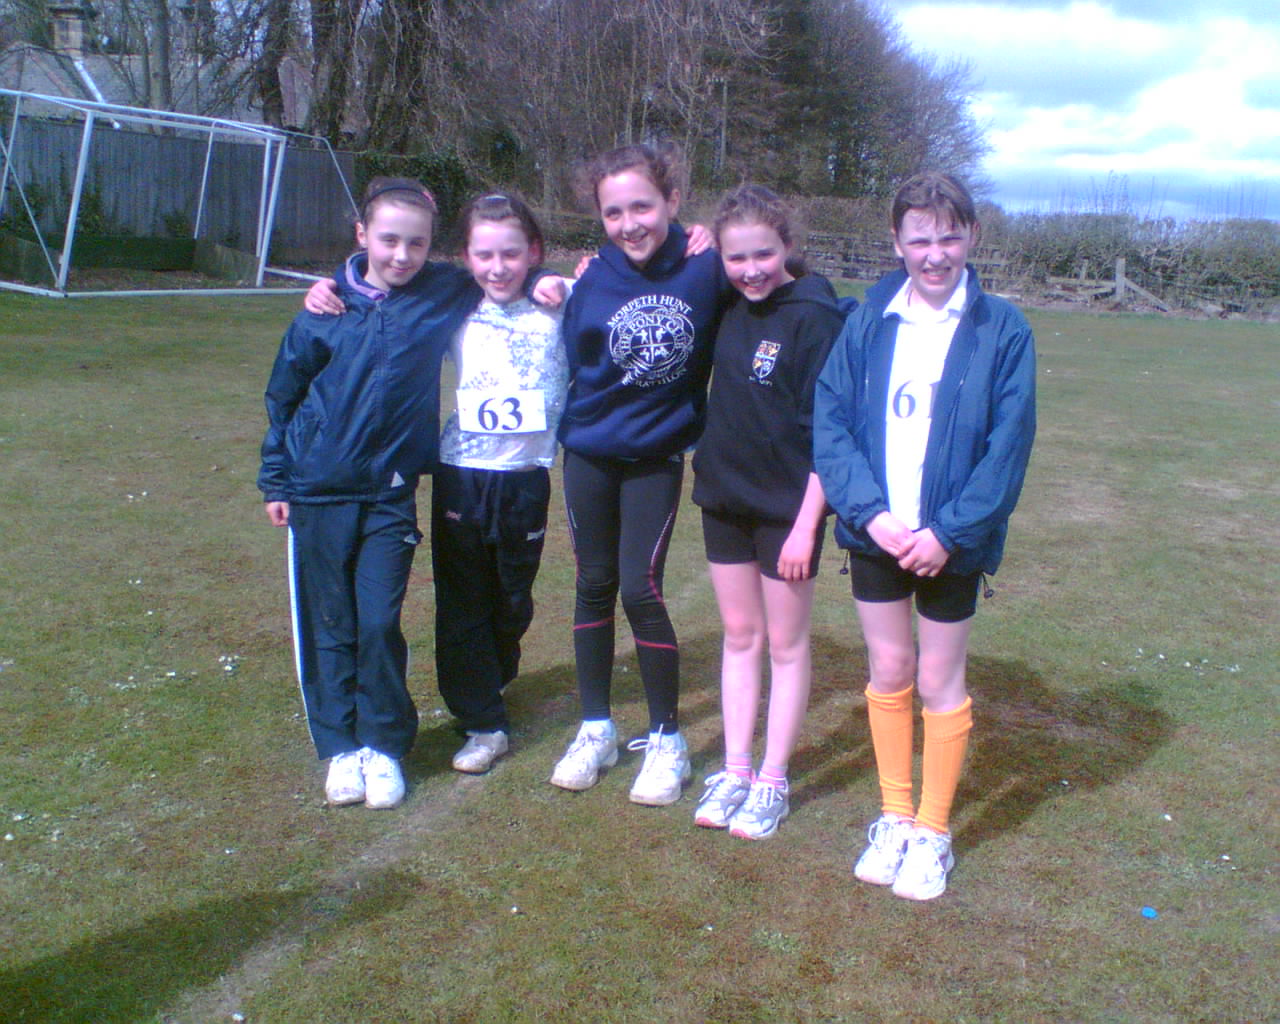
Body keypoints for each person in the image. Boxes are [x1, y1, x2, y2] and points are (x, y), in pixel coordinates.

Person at [813, 171, 1036, 898]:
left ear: (971, 236)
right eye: (919, 239)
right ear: (896, 242)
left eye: (948, 237)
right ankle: (895, 817)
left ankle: (933, 831)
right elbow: (831, 423)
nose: (934, 254)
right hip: (877, 533)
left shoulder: (1003, 328)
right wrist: (871, 515)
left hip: (950, 544)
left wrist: (948, 532)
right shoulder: (867, 321)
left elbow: (1007, 448)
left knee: (939, 679)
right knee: (888, 670)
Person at [261, 177, 497, 810]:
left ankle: (384, 746)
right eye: (389, 240)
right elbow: (283, 397)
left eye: (416, 243)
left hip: (390, 495)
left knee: (378, 622)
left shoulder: (439, 293)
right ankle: (340, 746)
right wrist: (276, 478)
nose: (401, 254)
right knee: (330, 622)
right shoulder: (324, 311)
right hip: (317, 491)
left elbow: (502, 268)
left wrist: (559, 281)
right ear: (362, 234)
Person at [549, 142, 735, 806]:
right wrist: (550, 285)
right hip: (589, 453)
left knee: (640, 587)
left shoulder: (706, 266)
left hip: (655, 457)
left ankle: (667, 740)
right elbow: (567, 349)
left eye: (643, 207)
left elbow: (776, 278)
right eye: (614, 212)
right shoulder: (592, 276)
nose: (630, 224)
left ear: (672, 202)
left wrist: (717, 241)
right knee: (593, 583)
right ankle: (596, 728)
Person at [689, 185, 846, 839]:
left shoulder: (816, 316)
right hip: (724, 498)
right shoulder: (726, 301)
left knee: (785, 645)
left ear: (787, 246)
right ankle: (735, 770)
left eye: (763, 254)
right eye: (736, 257)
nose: (750, 269)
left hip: (788, 514)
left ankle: (773, 780)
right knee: (739, 637)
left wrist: (808, 526)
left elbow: (831, 434)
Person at [431, 193, 567, 774]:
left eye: (510, 254)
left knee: (512, 599)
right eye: (483, 255)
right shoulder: (453, 305)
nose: (497, 267)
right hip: (462, 476)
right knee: (463, 599)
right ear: (466, 257)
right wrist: (332, 284)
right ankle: (481, 721)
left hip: (525, 479)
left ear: (532, 251)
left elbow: (620, 284)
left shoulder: (559, 303)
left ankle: (495, 675)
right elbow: (388, 281)